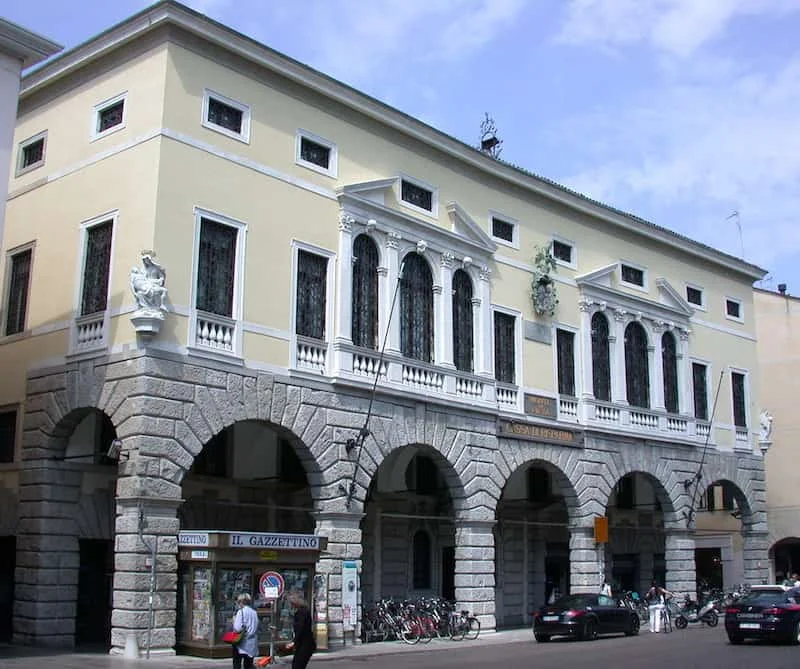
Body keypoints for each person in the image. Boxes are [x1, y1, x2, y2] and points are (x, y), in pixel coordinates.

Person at [286, 591, 315, 669]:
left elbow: (300, 628)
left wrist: (294, 642)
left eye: (291, 603)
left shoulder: (301, 613)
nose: (291, 605)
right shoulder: (305, 611)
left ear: (295, 603)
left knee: (297, 666)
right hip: (306, 644)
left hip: (304, 645)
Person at [232, 593, 259, 669]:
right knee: (248, 664)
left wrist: (234, 621)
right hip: (252, 642)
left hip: (241, 642)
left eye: (238, 602)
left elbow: (237, 628)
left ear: (241, 602)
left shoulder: (241, 612)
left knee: (237, 663)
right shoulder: (254, 612)